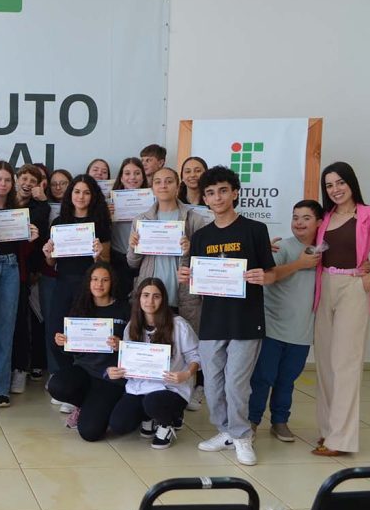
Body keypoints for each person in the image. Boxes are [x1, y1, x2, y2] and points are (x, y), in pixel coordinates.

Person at [179, 165, 275, 466]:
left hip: (246, 319)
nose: (217, 197)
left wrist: (264, 277)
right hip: (212, 320)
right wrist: (188, 276)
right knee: (212, 384)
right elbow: (199, 280)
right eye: (210, 193)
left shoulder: (255, 230)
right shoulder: (201, 236)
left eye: (223, 191)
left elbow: (271, 273)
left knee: (236, 383)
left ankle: (243, 436)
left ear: (234, 193)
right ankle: (225, 432)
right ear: (204, 199)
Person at [311, 162, 370, 456]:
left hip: (353, 288)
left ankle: (341, 440)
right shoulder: (325, 218)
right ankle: (328, 431)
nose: (335, 189)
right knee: (325, 363)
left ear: (351, 183)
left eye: (340, 182)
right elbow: (314, 250)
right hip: (325, 287)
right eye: (329, 185)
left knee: (346, 364)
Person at [126, 167, 209, 410]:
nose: (163, 185)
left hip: (182, 295)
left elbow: (205, 263)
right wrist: (134, 247)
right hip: (151, 297)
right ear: (152, 187)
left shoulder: (194, 219)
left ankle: (182, 396)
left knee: (185, 349)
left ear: (177, 185)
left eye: (169, 181)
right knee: (153, 349)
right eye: (158, 182)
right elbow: (132, 263)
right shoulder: (141, 219)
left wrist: (190, 249)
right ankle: (154, 395)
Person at [248, 200, 326, 443]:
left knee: (287, 380)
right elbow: (269, 276)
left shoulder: (324, 251)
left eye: (306, 218)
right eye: (295, 217)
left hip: (301, 331)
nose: (299, 222)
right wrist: (300, 264)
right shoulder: (281, 247)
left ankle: (280, 421)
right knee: (262, 378)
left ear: (319, 222)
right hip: (272, 327)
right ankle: (251, 421)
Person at [107, 277, 200, 449]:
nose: (150, 301)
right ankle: (149, 416)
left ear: (163, 299)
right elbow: (129, 363)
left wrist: (186, 374)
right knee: (119, 424)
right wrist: (115, 371)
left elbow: (196, 356)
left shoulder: (179, 325)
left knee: (153, 402)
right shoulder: (132, 327)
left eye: (156, 296)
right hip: (140, 387)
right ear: (139, 298)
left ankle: (168, 422)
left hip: (171, 388)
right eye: (146, 295)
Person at [0, 161, 40, 407]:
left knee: (5, 328)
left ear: (12, 183)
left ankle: (0, 388)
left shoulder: (18, 210)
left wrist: (31, 239)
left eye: (6, 180)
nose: (2, 184)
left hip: (11, 267)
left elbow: (23, 250)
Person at [46, 262, 129, 440]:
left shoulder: (124, 309)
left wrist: (121, 345)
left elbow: (136, 344)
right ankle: (85, 404)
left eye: (105, 280)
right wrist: (63, 343)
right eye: (95, 279)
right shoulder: (81, 307)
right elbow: (71, 352)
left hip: (110, 378)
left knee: (90, 432)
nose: (99, 284)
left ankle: (109, 405)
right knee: (57, 385)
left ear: (112, 282)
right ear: (88, 282)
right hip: (84, 370)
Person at [42, 175, 112, 377]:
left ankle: (86, 378)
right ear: (70, 194)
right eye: (77, 191)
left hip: (90, 287)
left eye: (86, 192)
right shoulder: (59, 222)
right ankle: (65, 377)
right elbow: (52, 262)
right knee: (56, 333)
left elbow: (106, 262)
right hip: (63, 283)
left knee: (87, 335)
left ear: (93, 196)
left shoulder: (100, 223)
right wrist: (48, 254)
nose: (81, 197)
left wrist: (98, 255)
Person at [12, 164, 52, 389]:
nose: (27, 184)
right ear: (16, 179)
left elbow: (40, 238)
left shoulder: (40, 208)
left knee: (21, 322)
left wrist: (42, 201)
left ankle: (20, 369)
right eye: (24, 179)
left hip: (24, 271)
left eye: (33, 181)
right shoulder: (4, 202)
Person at [39, 168, 73, 386]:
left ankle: (75, 374)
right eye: (54, 184)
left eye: (64, 183)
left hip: (77, 276)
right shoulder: (44, 208)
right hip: (51, 274)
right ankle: (56, 373)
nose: (58, 187)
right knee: (53, 326)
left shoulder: (84, 214)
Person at [108, 157, 148, 302]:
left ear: (143, 177)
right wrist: (106, 216)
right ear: (121, 177)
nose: (132, 177)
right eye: (127, 173)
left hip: (143, 259)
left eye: (137, 173)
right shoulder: (110, 203)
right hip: (118, 259)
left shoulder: (153, 201)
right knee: (120, 300)